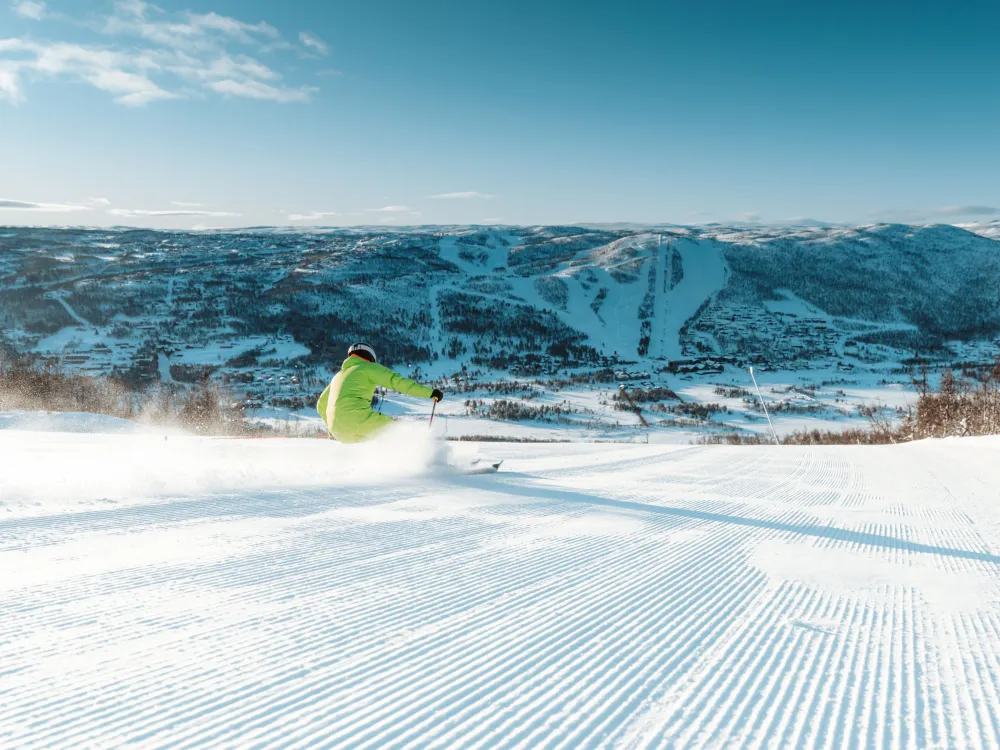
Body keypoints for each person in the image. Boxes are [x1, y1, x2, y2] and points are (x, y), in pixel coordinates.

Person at [316, 342, 443, 443]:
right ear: (370, 356)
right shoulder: (368, 367)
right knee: (399, 431)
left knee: (373, 445)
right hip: (360, 421)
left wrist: (332, 429)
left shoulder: (338, 376)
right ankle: (420, 459)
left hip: (338, 432)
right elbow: (397, 382)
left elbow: (321, 404)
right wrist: (430, 393)